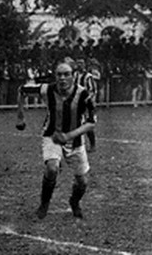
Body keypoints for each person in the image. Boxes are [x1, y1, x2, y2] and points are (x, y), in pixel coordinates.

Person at [16, 60, 96, 219]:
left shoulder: (83, 94)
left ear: (73, 76)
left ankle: (74, 202)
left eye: (66, 74)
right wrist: (20, 116)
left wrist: (69, 136)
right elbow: (22, 90)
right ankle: (44, 203)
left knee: (82, 182)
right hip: (52, 135)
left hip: (75, 140)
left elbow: (91, 123)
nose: (62, 78)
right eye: (59, 74)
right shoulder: (47, 89)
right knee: (52, 168)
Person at [75, 59, 98, 152]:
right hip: (77, 103)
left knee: (88, 124)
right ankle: (77, 146)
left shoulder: (88, 77)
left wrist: (87, 100)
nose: (79, 65)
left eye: (81, 63)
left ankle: (93, 145)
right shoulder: (75, 75)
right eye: (78, 63)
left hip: (87, 104)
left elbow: (93, 90)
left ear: (84, 65)